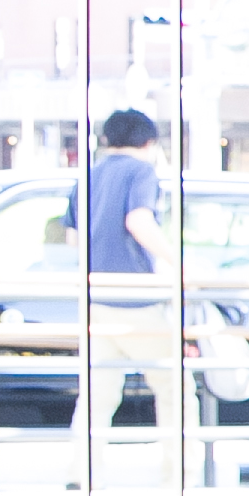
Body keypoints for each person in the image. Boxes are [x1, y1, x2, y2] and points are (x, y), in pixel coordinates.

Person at [66, 109, 175, 469]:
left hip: (95, 300)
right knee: (173, 389)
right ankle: (179, 474)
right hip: (137, 300)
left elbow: (73, 239)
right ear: (149, 143)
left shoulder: (86, 177)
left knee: (97, 395)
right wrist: (179, 264)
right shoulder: (141, 171)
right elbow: (139, 220)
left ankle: (83, 473)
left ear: (106, 140)